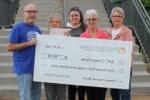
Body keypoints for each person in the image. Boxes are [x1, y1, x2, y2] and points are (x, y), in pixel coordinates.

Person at [7, 4, 41, 100]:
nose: (32, 14)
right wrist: (28, 43)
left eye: (34, 12)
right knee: (25, 96)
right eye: (29, 12)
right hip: (24, 68)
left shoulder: (37, 29)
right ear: (23, 14)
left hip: (37, 68)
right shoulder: (17, 27)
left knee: (36, 96)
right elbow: (10, 47)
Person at [80, 9, 111, 100]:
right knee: (90, 96)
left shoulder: (105, 36)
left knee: (101, 96)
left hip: (102, 73)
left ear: (97, 20)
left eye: (93, 19)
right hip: (88, 72)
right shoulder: (82, 37)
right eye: (88, 19)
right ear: (85, 21)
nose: (91, 21)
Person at [107, 7, 133, 100]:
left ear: (123, 18)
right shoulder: (107, 32)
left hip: (124, 66)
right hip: (112, 65)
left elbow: (127, 49)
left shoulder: (127, 31)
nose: (116, 18)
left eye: (119, 16)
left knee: (125, 91)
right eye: (114, 16)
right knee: (114, 91)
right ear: (111, 18)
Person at [44, 13, 67, 100]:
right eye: (52, 22)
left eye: (57, 22)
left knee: (62, 96)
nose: (54, 24)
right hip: (48, 72)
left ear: (61, 24)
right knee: (50, 97)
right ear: (48, 24)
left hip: (62, 72)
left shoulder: (67, 38)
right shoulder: (43, 38)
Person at [66, 7, 86, 100]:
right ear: (69, 17)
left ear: (80, 16)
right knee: (71, 89)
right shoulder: (65, 29)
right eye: (72, 15)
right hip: (70, 63)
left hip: (83, 63)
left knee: (82, 90)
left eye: (76, 15)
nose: (74, 17)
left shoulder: (85, 28)